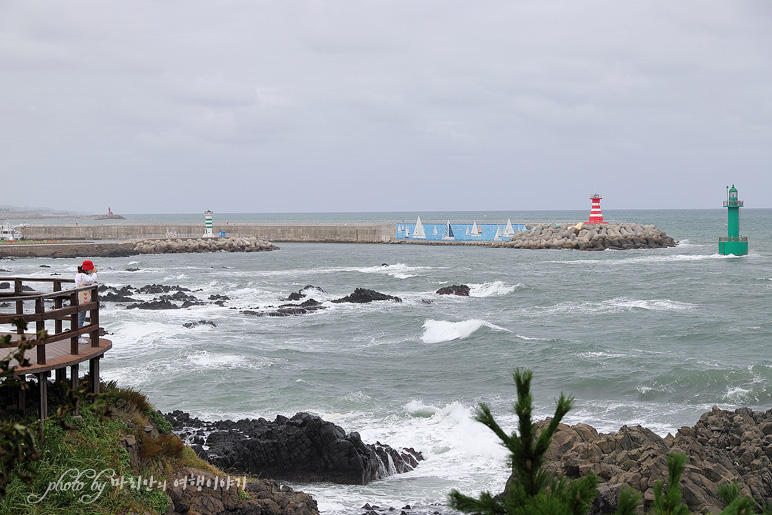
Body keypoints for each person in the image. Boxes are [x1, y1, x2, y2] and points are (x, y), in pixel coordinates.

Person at [74, 259, 98, 336]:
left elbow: (87, 282)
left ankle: (77, 336)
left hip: (78, 297)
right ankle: (78, 337)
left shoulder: (78, 275)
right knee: (81, 317)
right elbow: (90, 280)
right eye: (91, 269)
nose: (92, 270)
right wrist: (94, 274)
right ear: (87, 269)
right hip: (82, 298)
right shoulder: (83, 276)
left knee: (79, 317)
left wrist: (92, 281)